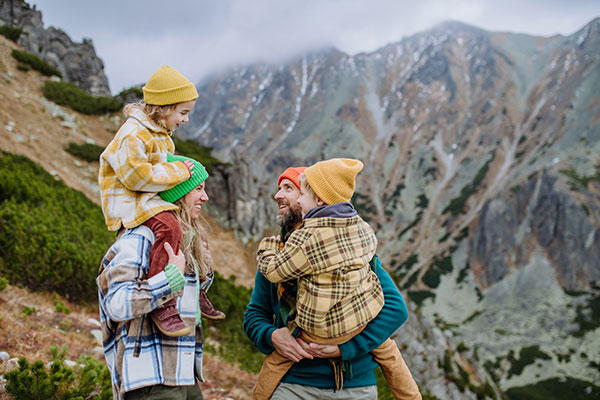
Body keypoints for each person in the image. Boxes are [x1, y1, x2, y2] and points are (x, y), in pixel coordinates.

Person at [244, 165, 421, 400]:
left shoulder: (354, 252)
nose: (278, 195)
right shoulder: (277, 255)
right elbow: (255, 314)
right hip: (293, 383)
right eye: (279, 188)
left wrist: (345, 348)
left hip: (355, 387)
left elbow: (396, 309)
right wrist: (271, 335)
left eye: (289, 188)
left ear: (317, 199)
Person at [98, 65, 223, 338]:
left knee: (193, 232)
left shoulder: (159, 134)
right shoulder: (133, 133)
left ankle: (197, 290)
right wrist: (180, 172)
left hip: (148, 198)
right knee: (171, 228)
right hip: (133, 201)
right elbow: (137, 177)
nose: (186, 120)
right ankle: (163, 303)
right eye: (183, 112)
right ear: (164, 107)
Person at [98, 154, 216, 400]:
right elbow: (117, 304)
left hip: (183, 373)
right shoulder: (140, 238)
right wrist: (168, 280)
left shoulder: (183, 239)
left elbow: (183, 302)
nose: (205, 197)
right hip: (151, 378)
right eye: (198, 189)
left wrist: (202, 272)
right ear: (178, 191)